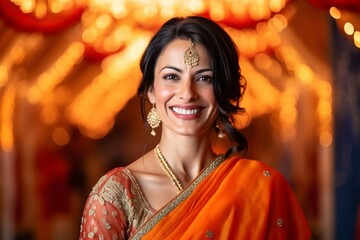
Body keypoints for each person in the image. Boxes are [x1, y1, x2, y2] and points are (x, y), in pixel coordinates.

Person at [79, 16, 312, 239]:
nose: (188, 94)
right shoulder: (116, 195)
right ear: (151, 90)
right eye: (171, 77)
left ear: (223, 91)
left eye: (204, 78)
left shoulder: (263, 188)